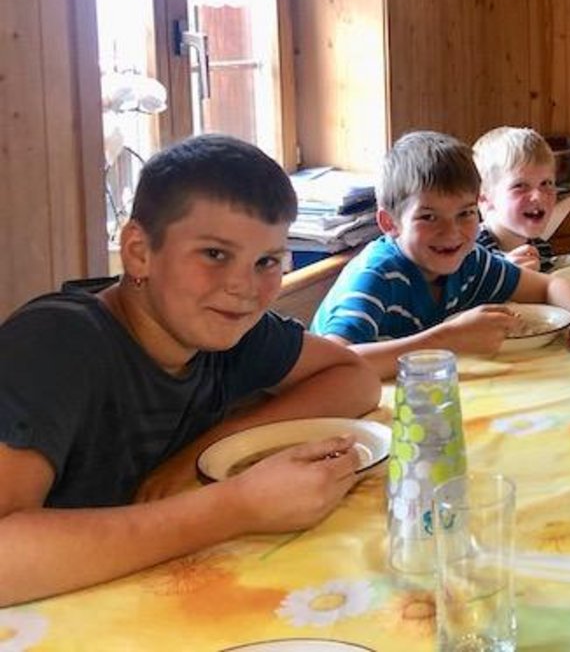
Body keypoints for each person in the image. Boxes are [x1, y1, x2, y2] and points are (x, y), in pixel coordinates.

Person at [0, 134, 381, 607]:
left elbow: (354, 377)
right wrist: (236, 506)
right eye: (215, 254)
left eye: (266, 261)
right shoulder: (56, 344)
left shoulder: (226, 331)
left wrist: (218, 445)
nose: (245, 288)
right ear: (139, 252)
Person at [310, 131, 570, 379]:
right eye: (429, 217)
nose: (452, 232)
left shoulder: (471, 261)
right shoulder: (376, 275)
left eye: (465, 213)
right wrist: (449, 339)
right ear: (390, 223)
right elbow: (335, 365)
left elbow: (550, 285)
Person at [473, 126, 560, 271]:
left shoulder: (541, 248)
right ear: (484, 199)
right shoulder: (469, 253)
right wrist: (505, 276)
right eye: (520, 186)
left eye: (546, 183)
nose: (538, 196)